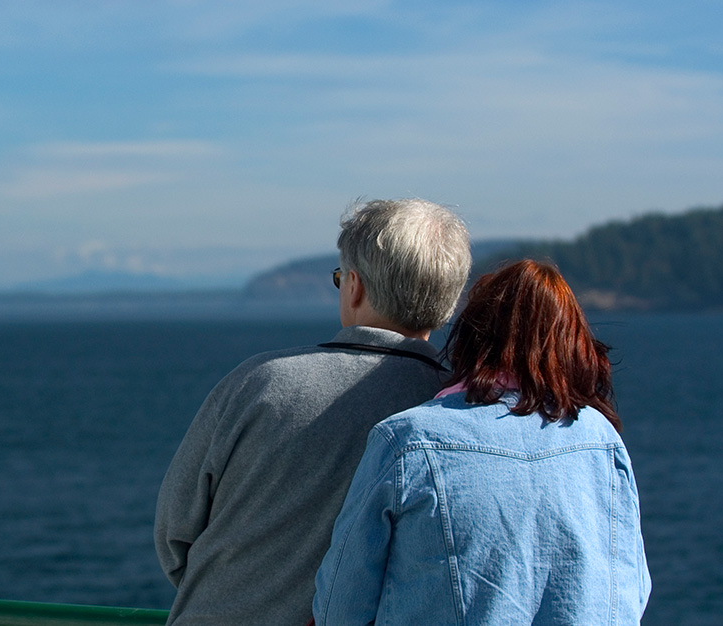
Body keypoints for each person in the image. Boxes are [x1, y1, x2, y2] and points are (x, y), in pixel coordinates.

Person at [154, 198, 472, 625]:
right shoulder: (457, 406)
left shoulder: (258, 382)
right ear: (449, 302)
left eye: (340, 278)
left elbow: (175, 532)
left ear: (354, 285)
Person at [313, 259, 651, 625]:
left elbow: (341, 607)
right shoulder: (601, 440)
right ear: (574, 345)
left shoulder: (409, 441)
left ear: (473, 337)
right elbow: (632, 590)